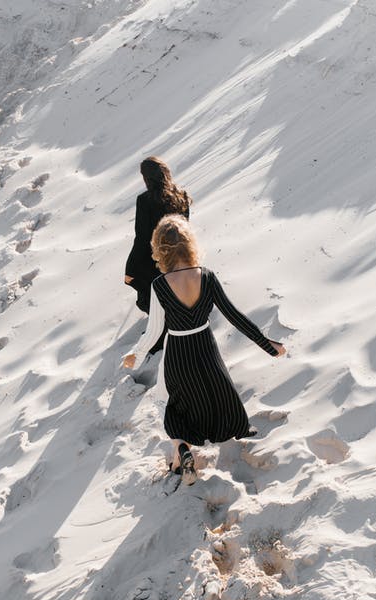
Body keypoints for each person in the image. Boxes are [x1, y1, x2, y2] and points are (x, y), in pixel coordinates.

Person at [121, 215, 287, 485]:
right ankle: (184, 456)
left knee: (175, 406)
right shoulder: (207, 276)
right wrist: (268, 345)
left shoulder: (160, 285)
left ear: (160, 248)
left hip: (177, 351)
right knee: (213, 396)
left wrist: (136, 356)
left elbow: (153, 331)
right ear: (189, 244)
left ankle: (182, 451)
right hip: (205, 348)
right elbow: (235, 316)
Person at [124, 157, 191, 354]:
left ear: (146, 178)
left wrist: (130, 269)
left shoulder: (145, 201)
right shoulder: (182, 196)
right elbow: (185, 229)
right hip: (180, 256)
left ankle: (161, 334)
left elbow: (143, 238)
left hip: (155, 258)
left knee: (148, 297)